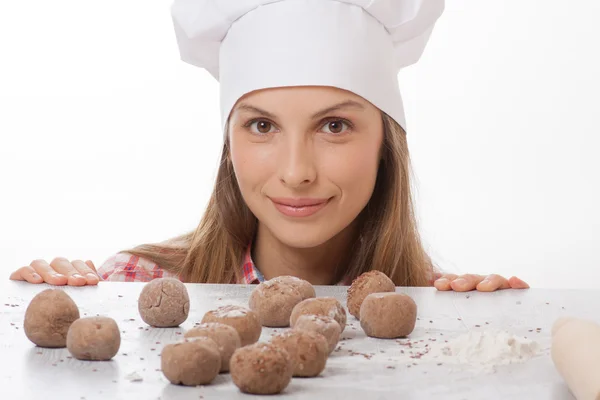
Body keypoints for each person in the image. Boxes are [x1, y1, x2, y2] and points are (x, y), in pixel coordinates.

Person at [9, 0, 529, 293]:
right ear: (228, 143)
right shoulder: (139, 283)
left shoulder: (433, 302)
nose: (297, 172)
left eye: (333, 127)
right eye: (262, 127)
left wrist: (496, 328)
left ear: (385, 142)